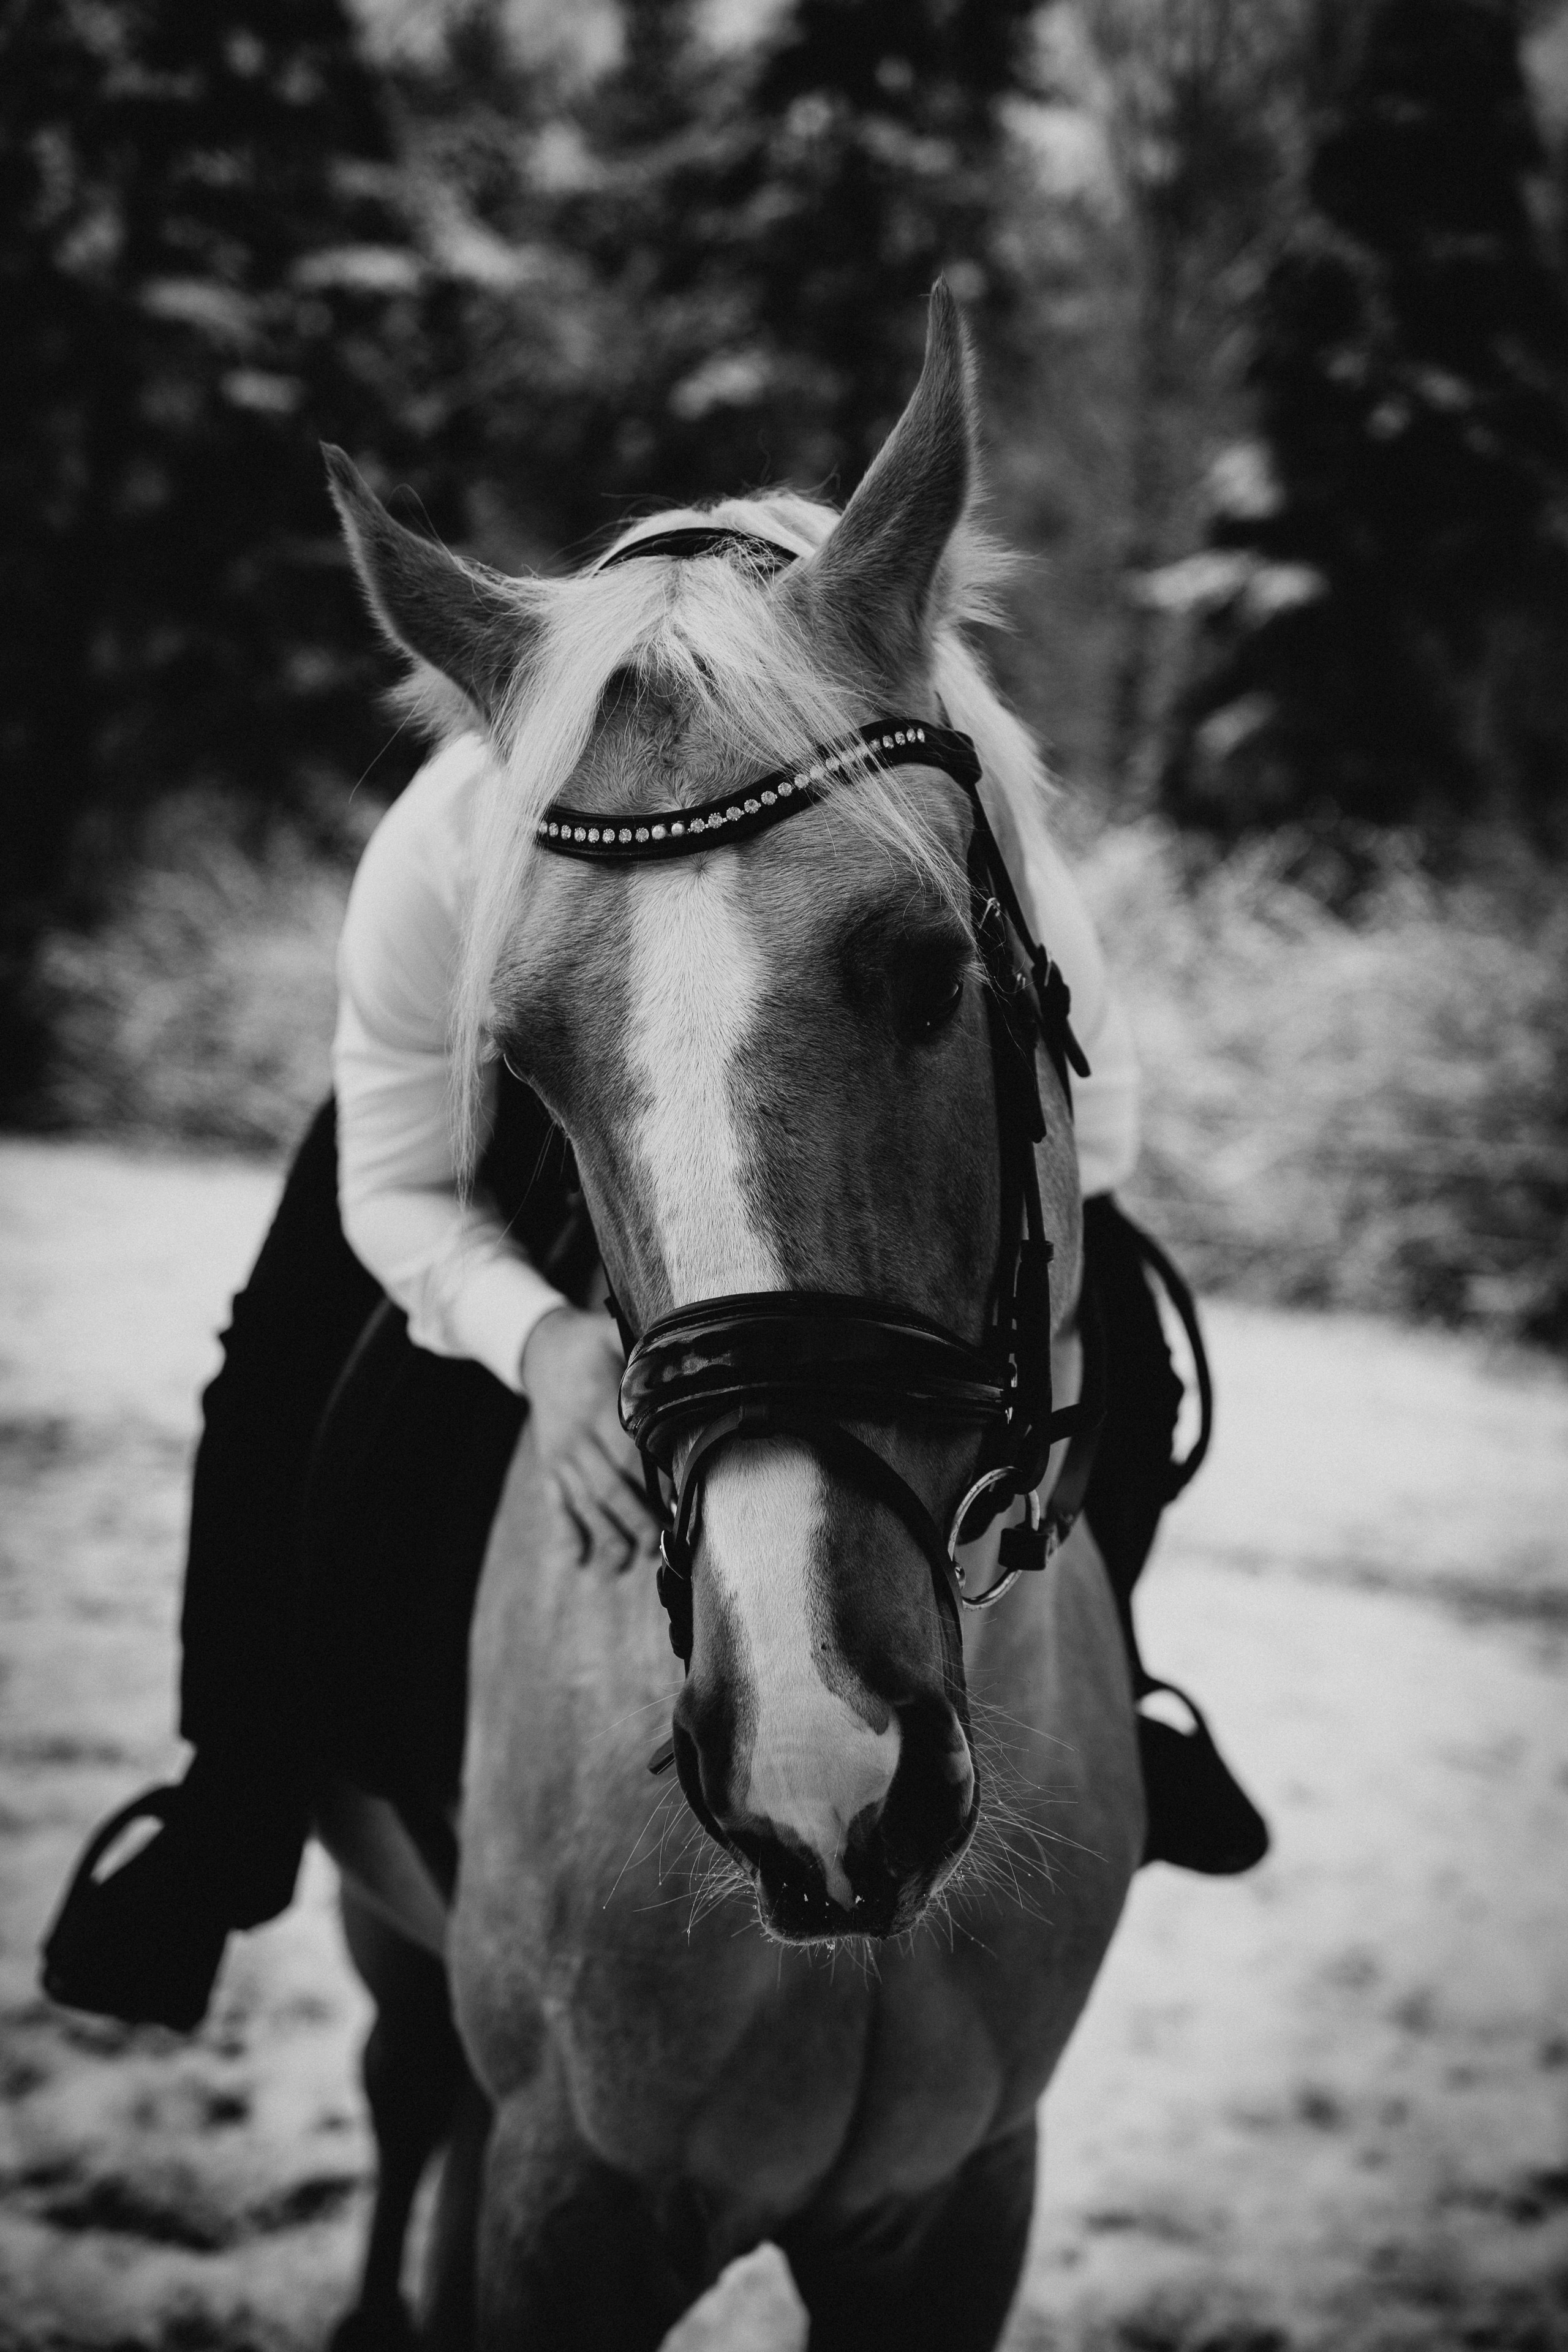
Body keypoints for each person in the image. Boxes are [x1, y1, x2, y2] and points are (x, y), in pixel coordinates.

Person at [41, 537, 1264, 2037]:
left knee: (1124, 1341)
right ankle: (231, 1793)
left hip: (846, 1082)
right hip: (515, 1118)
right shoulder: (444, 842)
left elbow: (1097, 1144)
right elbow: (398, 1187)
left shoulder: (940, 785)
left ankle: (1118, 1684)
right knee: (279, 1368)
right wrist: (542, 1341)